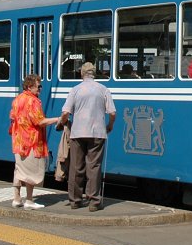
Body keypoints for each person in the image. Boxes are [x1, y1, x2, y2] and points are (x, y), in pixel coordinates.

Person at [58, 62, 116, 212]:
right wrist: (110, 125)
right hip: (97, 133)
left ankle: (75, 201)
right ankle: (94, 202)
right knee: (94, 166)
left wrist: (61, 123)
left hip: (78, 133)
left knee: (76, 167)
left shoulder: (75, 90)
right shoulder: (103, 89)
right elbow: (112, 113)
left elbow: (65, 113)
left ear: (81, 74)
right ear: (94, 74)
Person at [9, 74, 59, 209]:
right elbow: (40, 121)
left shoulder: (17, 99)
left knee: (19, 170)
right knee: (30, 172)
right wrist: (58, 119)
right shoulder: (33, 101)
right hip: (32, 142)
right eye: (39, 86)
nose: (40, 89)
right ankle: (29, 201)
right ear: (30, 86)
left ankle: (17, 199)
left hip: (18, 141)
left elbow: (12, 117)